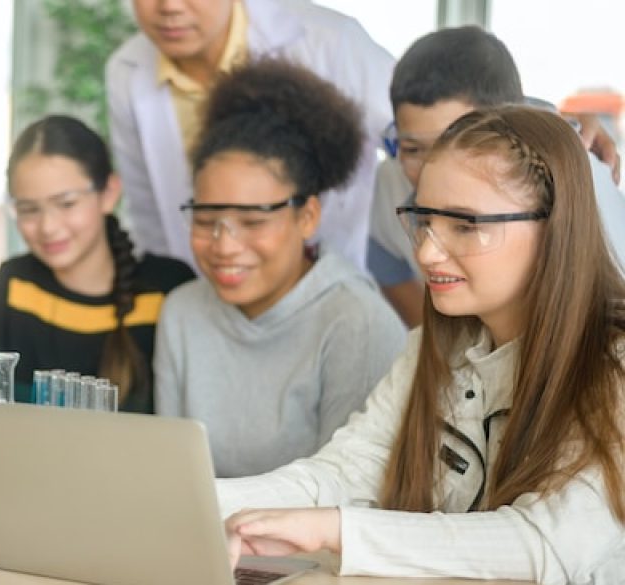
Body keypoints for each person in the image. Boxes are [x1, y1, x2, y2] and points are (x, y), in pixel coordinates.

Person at [220, 106, 625, 583]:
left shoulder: (611, 364)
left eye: (465, 225)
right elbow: (343, 473)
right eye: (425, 220)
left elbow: (545, 545)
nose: (427, 252)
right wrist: (187, 500)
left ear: (553, 226)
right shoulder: (431, 350)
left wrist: (339, 531)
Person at [153, 58, 406, 477]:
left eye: (252, 222)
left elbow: (349, 497)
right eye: (205, 221)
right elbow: (171, 477)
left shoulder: (356, 322)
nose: (224, 246)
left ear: (307, 216)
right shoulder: (183, 312)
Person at [105, 0, 394, 270]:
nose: (169, 7)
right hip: (203, 289)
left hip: (321, 282)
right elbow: (148, 214)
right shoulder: (126, 71)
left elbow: (420, 143)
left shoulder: (330, 41)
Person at [368, 26, 625, 327]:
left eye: (455, 140)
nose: (432, 168)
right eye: (412, 148)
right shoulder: (388, 185)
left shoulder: (576, 183)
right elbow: (386, 263)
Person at [0, 115, 194, 413]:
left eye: (66, 204)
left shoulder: (167, 289)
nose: (48, 227)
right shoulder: (15, 284)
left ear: (109, 193)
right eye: (29, 210)